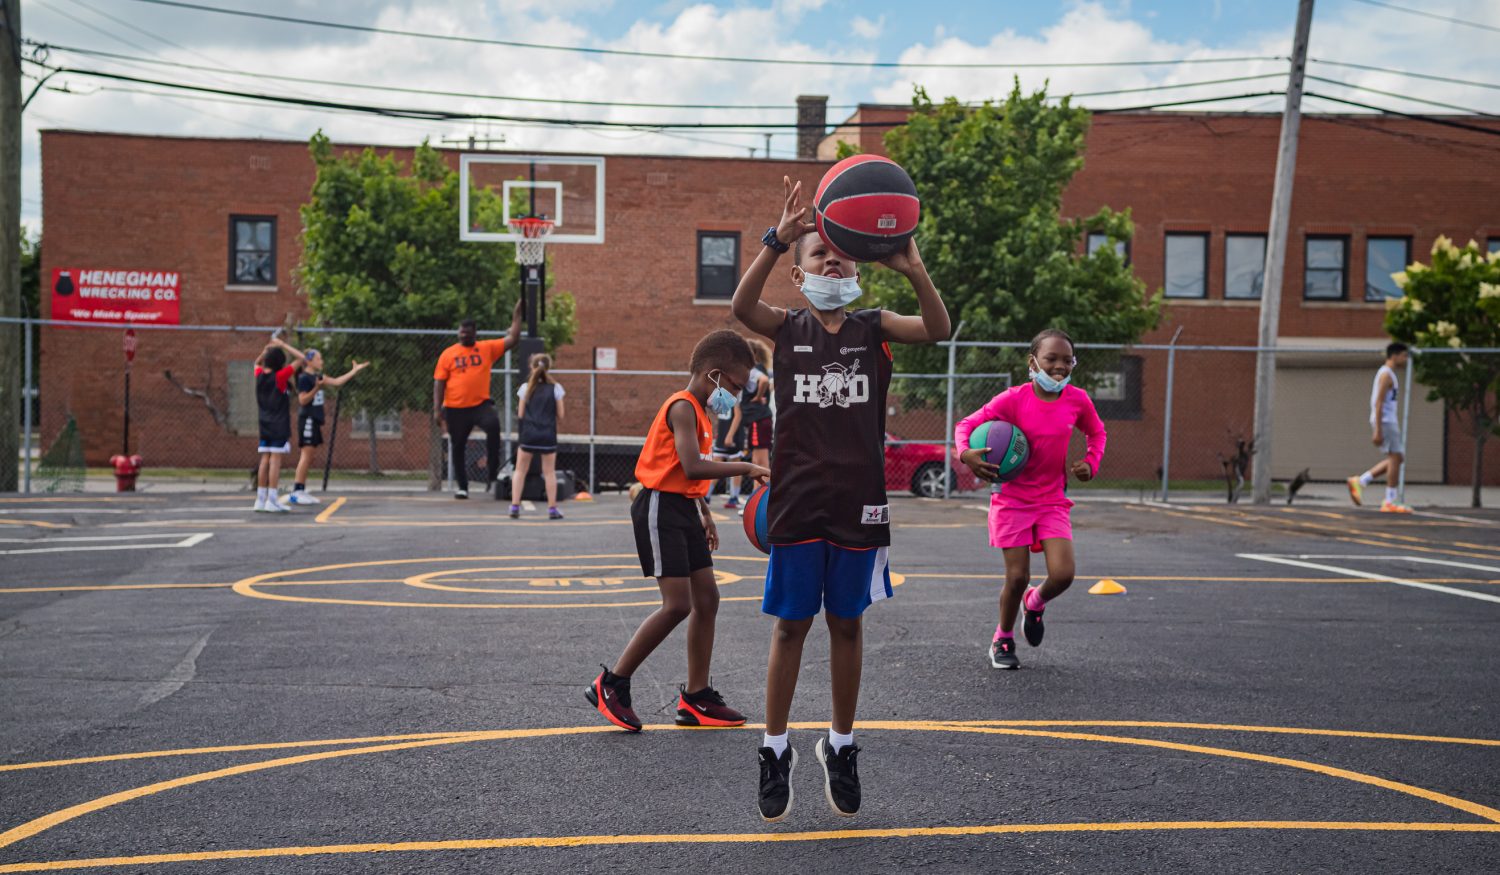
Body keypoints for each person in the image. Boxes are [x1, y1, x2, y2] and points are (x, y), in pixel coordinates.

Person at [732, 177, 950, 822]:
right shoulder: (787, 327)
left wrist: (913, 266)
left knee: (848, 623)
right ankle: (775, 750)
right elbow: (742, 307)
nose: (831, 262)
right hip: (798, 497)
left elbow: (938, 328)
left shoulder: (873, 325)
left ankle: (841, 743)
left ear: (858, 264)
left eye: (841, 256)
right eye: (818, 257)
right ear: (800, 276)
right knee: (791, 625)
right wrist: (778, 241)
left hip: (860, 497)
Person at [587, 330, 770, 733]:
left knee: (708, 598)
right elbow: (690, 466)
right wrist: (747, 467)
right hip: (658, 507)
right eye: (736, 386)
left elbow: (687, 475)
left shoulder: (703, 413)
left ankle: (696, 696)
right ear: (715, 375)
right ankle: (612, 683)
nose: (737, 395)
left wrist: (704, 510)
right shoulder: (683, 407)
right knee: (677, 605)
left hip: (683, 507)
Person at [955, 329, 1107, 672]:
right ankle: (1003, 637)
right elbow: (966, 424)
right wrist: (966, 454)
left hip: (1052, 500)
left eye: (1067, 360)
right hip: (1011, 499)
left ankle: (1035, 603)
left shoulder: (1077, 400)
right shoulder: (1012, 399)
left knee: (1064, 574)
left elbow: (1097, 432)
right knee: (1017, 576)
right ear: (1033, 361)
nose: (1059, 366)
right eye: (1051, 358)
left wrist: (1091, 462)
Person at [432, 300, 522, 499]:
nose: (463, 336)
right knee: (457, 445)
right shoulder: (448, 354)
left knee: (493, 426)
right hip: (455, 408)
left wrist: (517, 314)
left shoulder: (486, 348)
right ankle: (462, 487)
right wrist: (437, 410)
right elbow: (439, 382)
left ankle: (491, 473)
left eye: (467, 333)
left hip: (480, 404)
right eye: (461, 333)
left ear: (474, 333)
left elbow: (513, 339)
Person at [286, 350, 368, 506]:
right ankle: (296, 491)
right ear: (309, 361)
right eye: (318, 358)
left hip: (315, 420)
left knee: (310, 457)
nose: (321, 361)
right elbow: (303, 400)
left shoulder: (317, 377)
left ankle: (301, 490)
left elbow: (337, 381)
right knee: (306, 455)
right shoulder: (304, 378)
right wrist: (317, 388)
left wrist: (354, 371)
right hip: (307, 419)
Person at [1347, 342, 1412, 513]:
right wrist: (1378, 428)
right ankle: (1389, 500)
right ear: (1394, 355)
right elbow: (1379, 402)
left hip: (1388, 420)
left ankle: (1361, 481)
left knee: (1396, 458)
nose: (1405, 359)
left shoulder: (1389, 374)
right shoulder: (1386, 375)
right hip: (1385, 421)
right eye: (1404, 355)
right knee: (1396, 458)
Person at [252, 335, 307, 513]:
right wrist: (282, 344)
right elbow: (302, 358)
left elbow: (256, 362)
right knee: (275, 460)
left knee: (265, 459)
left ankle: (260, 499)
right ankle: (272, 499)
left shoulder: (259, 374)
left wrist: (265, 350)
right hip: (278, 424)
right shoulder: (280, 377)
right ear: (279, 362)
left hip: (264, 424)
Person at [510, 353, 565, 520]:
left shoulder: (525, 388)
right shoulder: (556, 388)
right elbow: (561, 415)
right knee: (549, 472)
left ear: (531, 367)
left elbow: (520, 414)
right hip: (547, 435)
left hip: (529, 434)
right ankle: (552, 508)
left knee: (520, 470)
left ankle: (514, 506)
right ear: (549, 367)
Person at [734, 339, 775, 511]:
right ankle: (756, 500)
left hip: (760, 420)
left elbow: (765, 380)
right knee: (756, 462)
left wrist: (758, 397)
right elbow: (768, 383)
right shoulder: (756, 370)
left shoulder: (754, 370)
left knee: (761, 463)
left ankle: (765, 502)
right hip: (758, 420)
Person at [710, 392, 746, 510]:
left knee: (736, 463)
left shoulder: (733, 391)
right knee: (716, 462)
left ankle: (734, 496)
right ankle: (706, 494)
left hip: (733, 433)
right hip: (722, 432)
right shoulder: (720, 391)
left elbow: (738, 415)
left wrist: (730, 435)